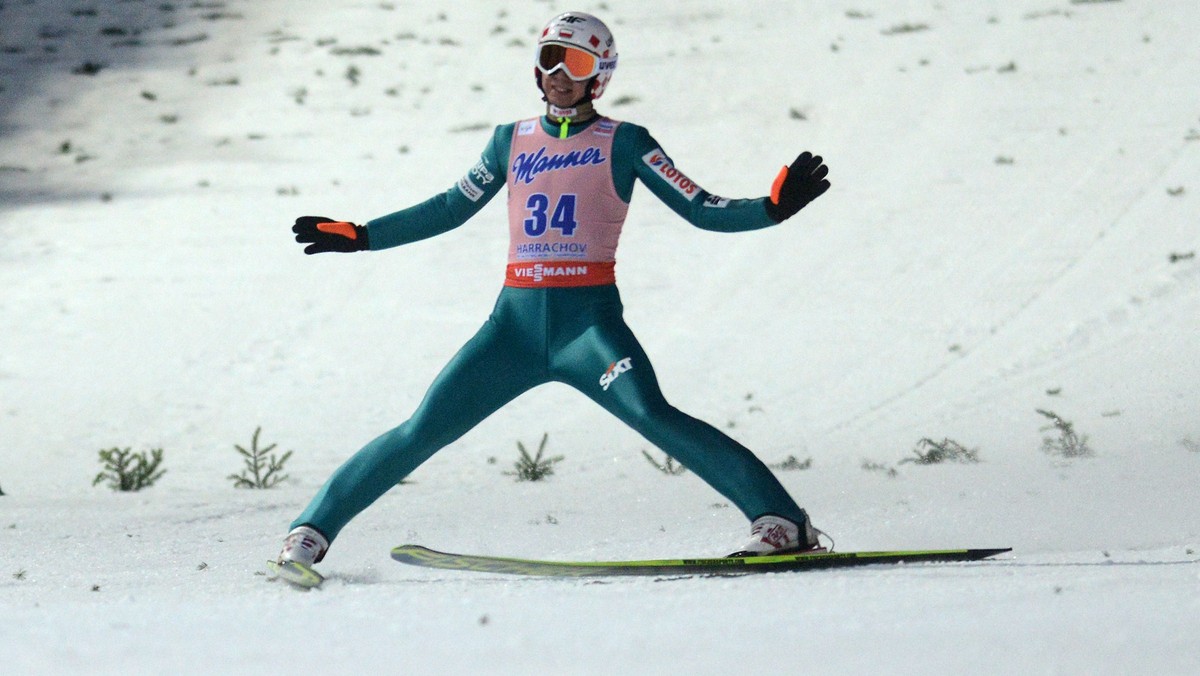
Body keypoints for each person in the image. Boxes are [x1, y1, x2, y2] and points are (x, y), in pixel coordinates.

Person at [278, 11, 831, 572]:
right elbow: (449, 207)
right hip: (511, 330)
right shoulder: (508, 140)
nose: (560, 72)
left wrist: (770, 210)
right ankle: (309, 531)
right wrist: (364, 236)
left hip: (586, 328)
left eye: (578, 61)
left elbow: (700, 208)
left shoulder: (626, 141)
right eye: (550, 59)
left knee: (654, 416)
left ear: (601, 75)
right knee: (424, 427)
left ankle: (782, 521)